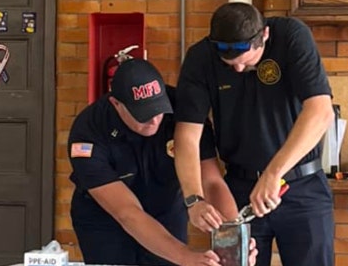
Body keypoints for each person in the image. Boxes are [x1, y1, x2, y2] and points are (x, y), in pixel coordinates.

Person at [174, 2, 335, 266]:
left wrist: (274, 174)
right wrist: (194, 198)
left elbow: (320, 111)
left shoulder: (291, 36)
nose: (237, 70)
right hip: (239, 188)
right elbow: (187, 136)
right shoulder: (201, 58)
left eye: (245, 62)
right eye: (230, 65)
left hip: (302, 186)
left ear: (265, 36)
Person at [68, 59, 257, 266]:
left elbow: (211, 181)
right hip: (105, 218)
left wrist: (235, 239)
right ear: (116, 104)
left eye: (158, 110)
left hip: (166, 206)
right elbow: (127, 213)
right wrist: (186, 258)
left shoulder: (184, 111)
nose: (154, 120)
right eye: (143, 114)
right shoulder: (89, 130)